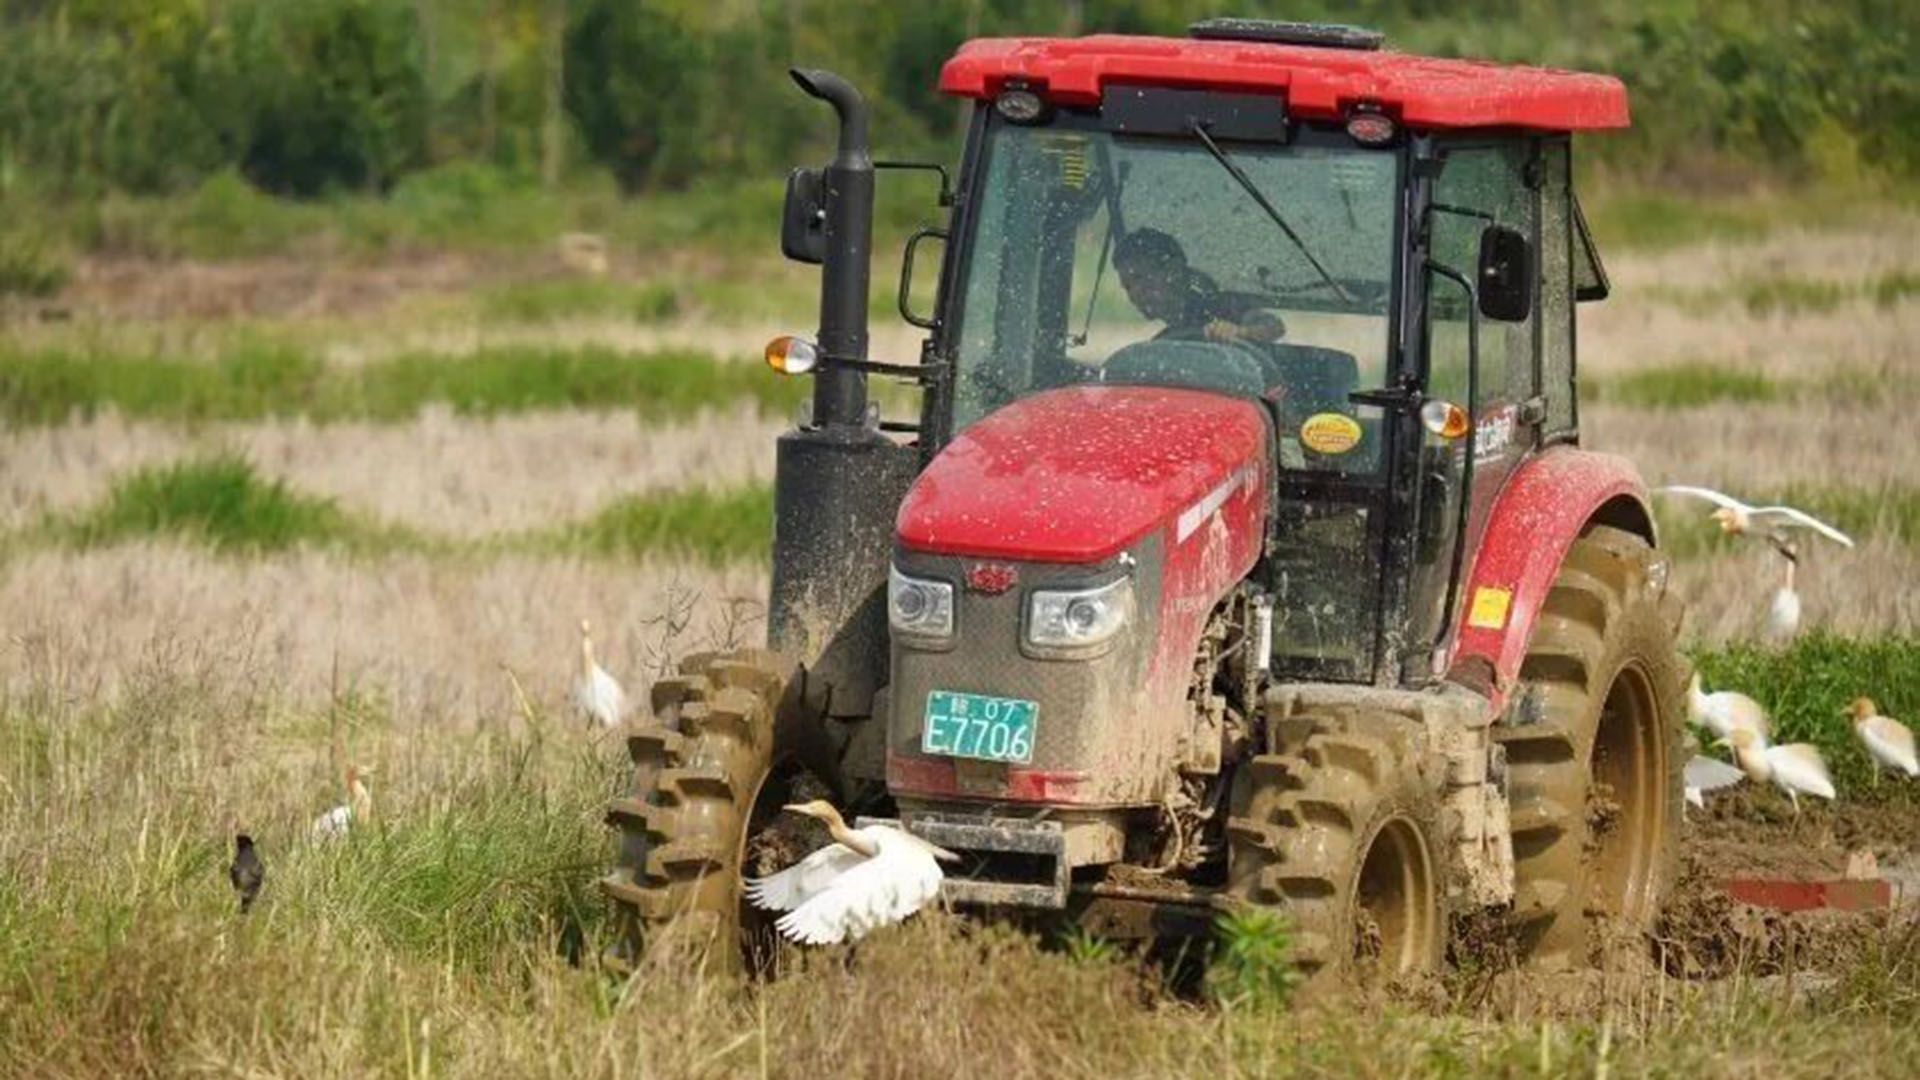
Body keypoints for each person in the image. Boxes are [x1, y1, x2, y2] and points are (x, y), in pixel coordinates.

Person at [1112, 228, 1284, 345]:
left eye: (1141, 278)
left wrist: (1240, 333)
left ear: (1174, 270)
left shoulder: (1221, 306)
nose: (1135, 293)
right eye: (1127, 286)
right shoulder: (1164, 342)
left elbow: (1273, 326)